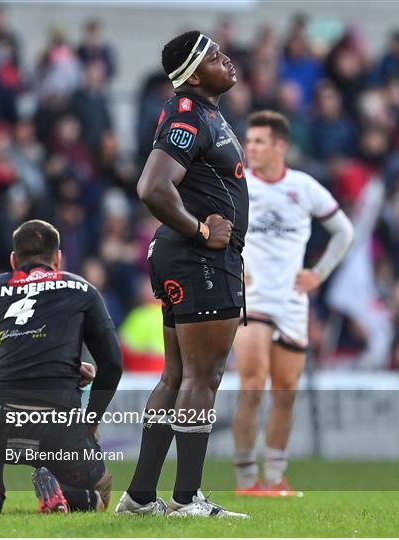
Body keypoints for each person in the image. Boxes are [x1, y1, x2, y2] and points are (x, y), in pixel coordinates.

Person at [115, 30, 248, 518]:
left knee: (177, 376)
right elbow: (152, 186)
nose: (226, 58)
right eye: (214, 55)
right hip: (200, 259)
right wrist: (198, 231)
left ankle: (140, 497)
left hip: (191, 258)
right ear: (192, 74)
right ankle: (187, 499)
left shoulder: (204, 114)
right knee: (202, 376)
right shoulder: (189, 114)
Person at [232, 111, 353, 496]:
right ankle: (245, 479)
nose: (250, 147)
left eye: (259, 141)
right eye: (248, 141)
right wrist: (232, 268)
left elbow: (343, 231)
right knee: (252, 384)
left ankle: (275, 476)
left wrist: (318, 273)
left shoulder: (303, 187)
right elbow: (210, 230)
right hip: (253, 300)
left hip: (292, 301)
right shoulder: (239, 185)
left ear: (280, 146)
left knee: (286, 390)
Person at [0, 220, 122, 513]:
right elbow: (112, 365)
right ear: (58, 258)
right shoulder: (81, 288)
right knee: (97, 495)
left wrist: (59, 366)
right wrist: (90, 423)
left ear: (14, 260)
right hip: (58, 427)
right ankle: (57, 485)